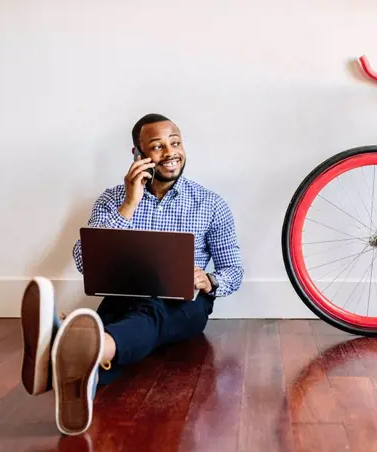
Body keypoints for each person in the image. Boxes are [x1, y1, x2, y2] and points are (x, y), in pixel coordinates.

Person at [18, 113, 244, 436]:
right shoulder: (113, 200)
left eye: (175, 142)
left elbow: (233, 270)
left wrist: (209, 280)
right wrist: (129, 204)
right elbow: (84, 260)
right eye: (157, 146)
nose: (169, 152)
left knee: (151, 313)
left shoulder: (210, 204)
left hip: (185, 305)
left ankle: (68, 344)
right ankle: (74, 371)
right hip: (123, 297)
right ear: (138, 156)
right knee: (123, 326)